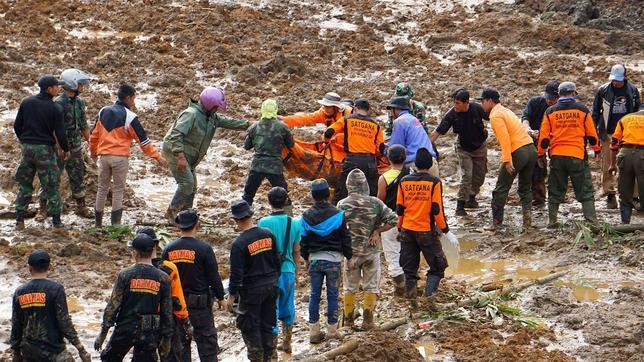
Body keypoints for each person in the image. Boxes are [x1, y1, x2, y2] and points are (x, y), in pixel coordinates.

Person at [163, 87, 249, 222]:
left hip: (190, 155)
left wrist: (249, 125)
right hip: (175, 151)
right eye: (216, 107)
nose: (217, 110)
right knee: (187, 183)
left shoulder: (210, 117)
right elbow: (176, 135)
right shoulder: (191, 114)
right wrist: (180, 157)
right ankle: (172, 213)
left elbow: (228, 122)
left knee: (192, 185)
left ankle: (186, 215)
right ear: (209, 104)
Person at [90, 84, 167, 226]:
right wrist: (157, 157)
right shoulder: (130, 117)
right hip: (120, 158)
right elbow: (143, 142)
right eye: (133, 98)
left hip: (104, 157)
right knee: (118, 190)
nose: (134, 101)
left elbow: (93, 135)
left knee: (102, 189)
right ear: (128, 98)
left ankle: (98, 224)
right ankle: (115, 225)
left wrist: (93, 152)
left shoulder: (103, 111)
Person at [94, 234, 173, 361]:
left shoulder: (125, 275)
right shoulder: (163, 278)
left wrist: (103, 333)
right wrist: (167, 338)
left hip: (125, 327)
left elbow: (113, 306)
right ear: (152, 251)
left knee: (109, 358)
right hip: (149, 331)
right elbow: (167, 311)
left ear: (135, 253)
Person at [162, 209, 226, 361]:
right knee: (207, 346)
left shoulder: (169, 249)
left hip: (176, 306)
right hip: (200, 305)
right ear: (198, 225)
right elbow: (213, 276)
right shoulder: (204, 248)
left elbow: (164, 278)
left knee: (180, 347)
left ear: (178, 227)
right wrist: (220, 297)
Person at [337, 169, 397, 330]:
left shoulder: (342, 204)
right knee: (371, 286)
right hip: (371, 251)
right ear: (365, 185)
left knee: (350, 287)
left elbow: (338, 228)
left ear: (348, 185)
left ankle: (348, 322)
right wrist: (377, 231)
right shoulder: (376, 203)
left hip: (351, 254)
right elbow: (394, 219)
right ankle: (368, 321)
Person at [396, 148, 457, 306]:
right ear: (430, 165)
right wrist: (446, 231)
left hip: (407, 230)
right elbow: (437, 210)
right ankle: (429, 298)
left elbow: (400, 209)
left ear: (415, 164)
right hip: (426, 232)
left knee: (409, 270)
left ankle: (412, 303)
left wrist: (399, 228)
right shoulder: (434, 182)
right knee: (438, 266)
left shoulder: (404, 181)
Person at [538, 82, 600, 227]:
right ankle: (591, 222)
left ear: (559, 94)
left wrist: (540, 154)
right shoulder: (582, 110)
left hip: (557, 156)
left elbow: (544, 137)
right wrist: (596, 149)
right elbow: (592, 134)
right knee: (585, 189)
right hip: (576, 155)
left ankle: (552, 221)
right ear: (573, 93)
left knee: (555, 189)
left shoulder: (550, 111)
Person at [10, 250, 91, 362]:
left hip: (29, 352)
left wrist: (16, 351)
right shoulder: (56, 289)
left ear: (29, 268)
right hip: (54, 351)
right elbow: (64, 321)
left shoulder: (19, 292)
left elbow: (16, 323)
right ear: (50, 266)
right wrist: (80, 348)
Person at [227, 200, 281, 362]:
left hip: (251, 292)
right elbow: (277, 261)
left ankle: (257, 358)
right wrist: (273, 279)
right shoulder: (268, 234)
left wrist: (231, 296)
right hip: (271, 286)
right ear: (251, 215)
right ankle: (271, 358)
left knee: (250, 327)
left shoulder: (239, 244)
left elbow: (236, 274)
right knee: (268, 324)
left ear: (236, 220)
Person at [13, 75, 69, 230]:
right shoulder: (55, 108)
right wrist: (66, 149)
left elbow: (17, 126)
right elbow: (60, 133)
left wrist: (24, 141)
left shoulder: (27, 102)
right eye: (57, 86)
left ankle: (19, 220)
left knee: (25, 185)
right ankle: (56, 222)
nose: (59, 89)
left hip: (27, 149)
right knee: (51, 185)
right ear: (49, 89)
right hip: (45, 150)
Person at [300, 179, 352, 343]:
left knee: (314, 295)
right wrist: (349, 257)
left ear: (313, 195)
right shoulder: (338, 214)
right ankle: (331, 331)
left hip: (315, 260)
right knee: (332, 295)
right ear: (328, 194)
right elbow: (345, 238)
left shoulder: (305, 216)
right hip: (334, 261)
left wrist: (305, 258)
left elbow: (304, 241)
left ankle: (314, 332)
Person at [477, 88, 536, 229]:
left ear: (490, 101)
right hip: (531, 149)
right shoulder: (506, 111)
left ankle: (496, 223)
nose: (481, 105)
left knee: (501, 189)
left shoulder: (495, 115)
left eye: (483, 101)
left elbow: (505, 139)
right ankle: (527, 222)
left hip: (518, 152)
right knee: (525, 187)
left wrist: (507, 160)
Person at [37, 69, 93, 220]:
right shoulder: (57, 104)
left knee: (78, 176)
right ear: (72, 84)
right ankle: (42, 209)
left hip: (75, 147)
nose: (83, 87)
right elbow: (52, 129)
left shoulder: (80, 103)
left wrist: (92, 142)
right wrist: (59, 147)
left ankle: (81, 206)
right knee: (51, 178)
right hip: (58, 149)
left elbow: (83, 125)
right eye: (81, 84)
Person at [137, 227, 192, 362]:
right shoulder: (169, 268)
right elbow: (177, 298)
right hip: (168, 321)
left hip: (143, 323)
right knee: (172, 356)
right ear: (156, 245)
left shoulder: (132, 272)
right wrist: (185, 321)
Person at [257, 187, 301, 354]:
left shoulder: (263, 223)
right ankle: (287, 341)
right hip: (288, 271)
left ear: (269, 201)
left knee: (271, 309)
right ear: (285, 201)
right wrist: (296, 272)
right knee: (288, 306)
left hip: (270, 274)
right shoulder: (295, 223)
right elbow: (296, 250)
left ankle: (272, 347)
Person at [431, 88, 489, 216]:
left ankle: (471, 198)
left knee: (480, 176)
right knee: (467, 176)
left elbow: (493, 118)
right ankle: (460, 206)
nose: (455, 105)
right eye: (454, 102)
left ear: (466, 102)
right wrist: (427, 147)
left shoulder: (476, 108)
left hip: (480, 146)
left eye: (458, 103)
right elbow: (438, 132)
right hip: (463, 148)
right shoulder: (452, 114)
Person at [592, 64, 641, 209]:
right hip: (608, 132)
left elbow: (637, 111)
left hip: (627, 133)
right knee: (608, 164)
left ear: (625, 77)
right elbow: (595, 112)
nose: (616, 82)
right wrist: (594, 133)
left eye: (618, 80)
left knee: (631, 165)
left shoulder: (632, 91)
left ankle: (634, 196)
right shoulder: (603, 90)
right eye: (614, 79)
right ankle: (610, 194)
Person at [324, 98, 385, 203]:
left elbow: (329, 132)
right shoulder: (376, 125)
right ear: (368, 110)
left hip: (352, 160)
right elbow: (381, 148)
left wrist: (326, 142)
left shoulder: (347, 119)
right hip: (369, 162)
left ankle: (340, 216)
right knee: (372, 194)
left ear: (355, 108)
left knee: (342, 192)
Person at [242, 99, 294, 207]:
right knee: (283, 197)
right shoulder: (282, 127)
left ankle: (243, 219)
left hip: (257, 167)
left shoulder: (255, 127)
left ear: (262, 110)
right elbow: (291, 144)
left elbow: (246, 146)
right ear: (275, 110)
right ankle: (288, 221)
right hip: (275, 167)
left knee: (248, 195)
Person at [376, 145, 410, 296]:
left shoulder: (384, 178)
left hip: (391, 219)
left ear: (388, 159)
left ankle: (400, 287)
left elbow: (380, 202)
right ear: (405, 156)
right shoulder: (412, 173)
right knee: (410, 252)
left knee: (392, 253)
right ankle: (411, 282)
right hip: (411, 218)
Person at [521, 80, 560, 207]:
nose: (550, 101)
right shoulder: (535, 102)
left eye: (553, 99)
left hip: (555, 139)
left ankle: (556, 195)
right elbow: (525, 118)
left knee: (556, 167)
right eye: (548, 98)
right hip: (534, 138)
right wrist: (529, 130)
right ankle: (537, 198)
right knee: (536, 167)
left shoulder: (561, 108)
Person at [387, 96, 439, 176]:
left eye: (391, 110)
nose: (391, 113)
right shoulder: (414, 119)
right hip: (431, 162)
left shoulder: (399, 121)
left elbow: (396, 148)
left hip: (416, 166)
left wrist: (384, 149)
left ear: (395, 109)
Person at [609, 106, 644, 224]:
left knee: (624, 189)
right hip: (642, 155)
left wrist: (612, 164)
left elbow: (614, 143)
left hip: (624, 154)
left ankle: (625, 221)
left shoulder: (626, 118)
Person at [280, 92, 352, 129]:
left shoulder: (348, 113)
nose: (325, 108)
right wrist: (285, 120)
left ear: (336, 107)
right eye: (324, 106)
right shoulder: (322, 113)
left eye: (328, 106)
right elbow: (305, 118)